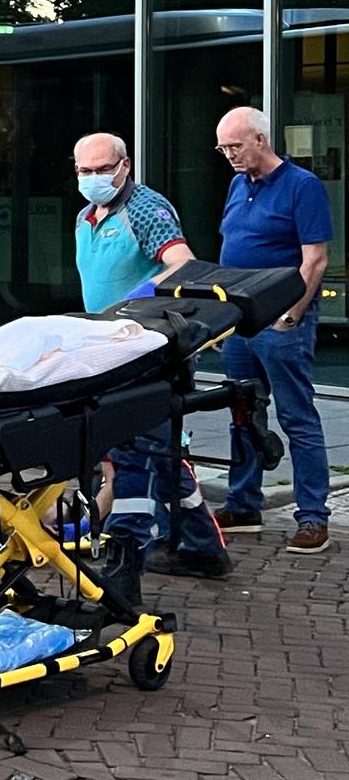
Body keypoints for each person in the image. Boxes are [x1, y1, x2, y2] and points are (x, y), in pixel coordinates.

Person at [70, 132, 231, 600]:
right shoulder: (86, 216)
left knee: (134, 449)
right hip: (110, 346)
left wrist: (141, 300)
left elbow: (182, 264)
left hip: (148, 346)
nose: (94, 178)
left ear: (125, 166)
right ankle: (202, 546)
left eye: (103, 169)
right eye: (85, 171)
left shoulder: (144, 208)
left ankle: (127, 558)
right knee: (158, 452)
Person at [213, 107, 333, 555]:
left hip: (281, 322)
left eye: (235, 146)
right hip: (240, 322)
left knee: (297, 416)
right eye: (223, 148)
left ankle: (312, 516)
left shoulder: (302, 186)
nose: (228, 155)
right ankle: (244, 503)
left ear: (260, 139)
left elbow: (315, 258)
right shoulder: (236, 184)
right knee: (241, 412)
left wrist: (293, 315)